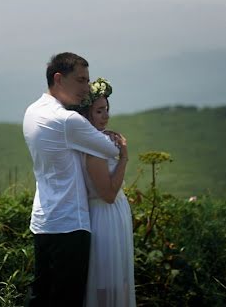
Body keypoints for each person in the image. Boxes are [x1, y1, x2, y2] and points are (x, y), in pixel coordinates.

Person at [23, 53, 121, 306]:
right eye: (80, 80)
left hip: (43, 220)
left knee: (41, 295)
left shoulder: (32, 111)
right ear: (59, 78)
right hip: (70, 223)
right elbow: (111, 149)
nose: (86, 88)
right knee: (67, 299)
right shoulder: (67, 120)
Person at [77, 78, 135, 307]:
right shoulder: (93, 148)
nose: (106, 115)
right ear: (86, 114)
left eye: (107, 109)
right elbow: (109, 194)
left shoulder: (98, 141)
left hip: (114, 215)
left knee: (118, 277)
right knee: (106, 279)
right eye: (99, 111)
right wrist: (124, 157)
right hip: (105, 217)